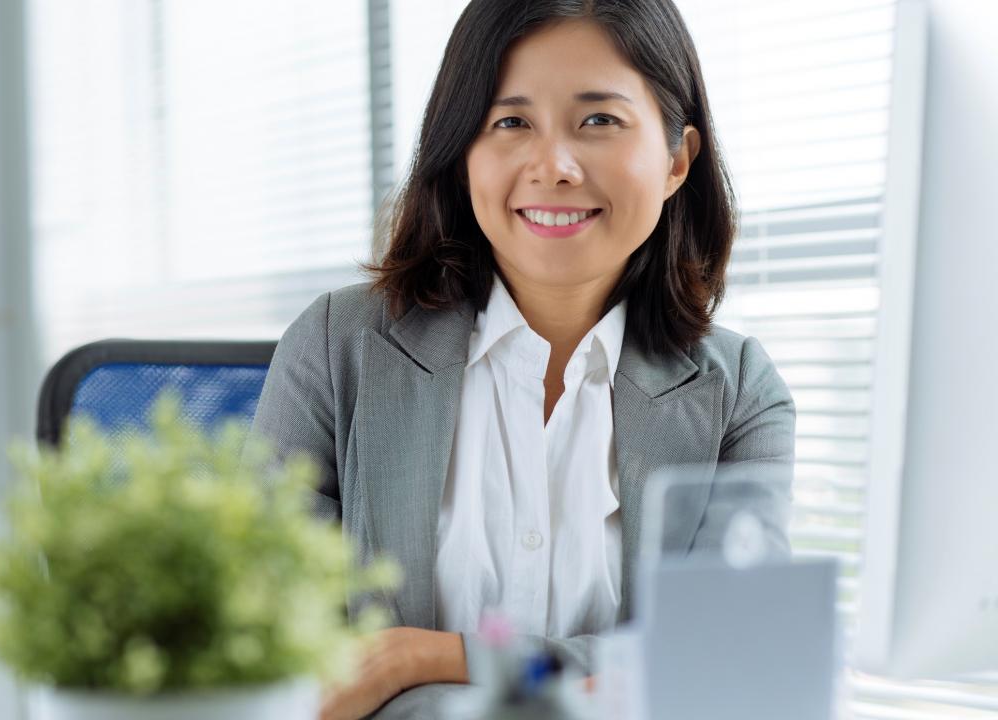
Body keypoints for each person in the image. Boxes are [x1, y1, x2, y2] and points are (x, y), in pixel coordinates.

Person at [250, 1, 795, 718]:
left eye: (598, 120)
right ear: (461, 151)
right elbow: (268, 646)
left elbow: (722, 661)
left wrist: (432, 657)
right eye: (510, 122)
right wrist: (588, 680)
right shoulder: (336, 348)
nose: (555, 166)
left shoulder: (738, 394)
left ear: (676, 160)